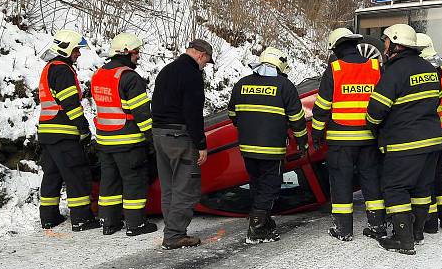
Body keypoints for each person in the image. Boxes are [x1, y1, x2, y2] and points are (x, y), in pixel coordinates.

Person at [365, 24, 442, 255]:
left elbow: (376, 109)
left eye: (387, 41)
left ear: (397, 44)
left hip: (403, 143)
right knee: (422, 188)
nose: (384, 46)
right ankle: (417, 233)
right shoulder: (429, 69)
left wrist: (372, 126)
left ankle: (402, 238)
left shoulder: (394, 72)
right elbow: (434, 101)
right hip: (431, 141)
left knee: (395, 188)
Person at [228, 47, 308, 244]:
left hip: (247, 148)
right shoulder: (284, 86)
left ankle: (263, 221)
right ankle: (256, 228)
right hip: (272, 150)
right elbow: (297, 119)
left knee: (256, 183)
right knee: (269, 186)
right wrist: (302, 142)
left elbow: (232, 114)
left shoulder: (242, 84)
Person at [311, 28, 384, 241]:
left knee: (341, 182)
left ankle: (344, 230)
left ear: (337, 49)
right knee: (371, 181)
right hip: (369, 138)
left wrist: (316, 133)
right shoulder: (375, 66)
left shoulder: (334, 69)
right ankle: (377, 226)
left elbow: (322, 106)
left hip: (340, 140)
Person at [92, 32, 157, 236]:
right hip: (128, 141)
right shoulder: (129, 77)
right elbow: (142, 113)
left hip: (105, 140)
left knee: (110, 182)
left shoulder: (99, 74)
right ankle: (135, 224)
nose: (138, 56)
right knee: (133, 181)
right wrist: (151, 138)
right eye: (136, 52)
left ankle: (110, 223)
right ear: (126, 52)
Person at [151, 39, 213, 249]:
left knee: (169, 187)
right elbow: (193, 113)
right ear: (201, 55)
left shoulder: (166, 70)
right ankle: (175, 235)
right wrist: (200, 144)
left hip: (159, 134)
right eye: (206, 62)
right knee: (186, 187)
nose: (204, 66)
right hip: (179, 136)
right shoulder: (192, 74)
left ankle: (172, 230)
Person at [36, 29, 100, 231]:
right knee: (77, 174)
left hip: (47, 131)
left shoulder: (50, 67)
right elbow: (70, 104)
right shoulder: (63, 70)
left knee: (52, 175)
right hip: (63, 132)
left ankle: (49, 217)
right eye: (76, 50)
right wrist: (84, 128)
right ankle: (82, 219)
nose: (78, 54)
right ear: (65, 49)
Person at [415, 33, 442, 234]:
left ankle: (430, 222)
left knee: (426, 178)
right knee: (440, 174)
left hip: (428, 133)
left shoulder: (424, 76)